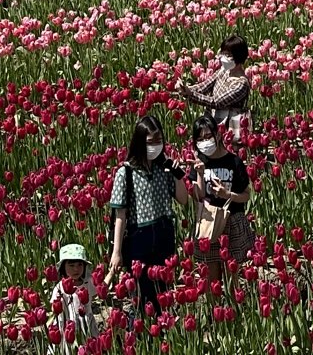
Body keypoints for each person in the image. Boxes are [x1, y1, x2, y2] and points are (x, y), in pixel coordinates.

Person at [106, 116, 187, 313]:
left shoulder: (164, 168)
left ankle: (161, 337)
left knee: (163, 293)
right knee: (142, 296)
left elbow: (183, 199)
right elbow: (120, 216)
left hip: (163, 235)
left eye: (159, 141)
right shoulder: (125, 173)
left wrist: (178, 175)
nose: (155, 146)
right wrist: (117, 253)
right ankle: (142, 336)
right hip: (138, 239)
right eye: (150, 142)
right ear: (139, 142)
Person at [189, 114, 251, 274]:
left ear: (217, 134)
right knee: (211, 277)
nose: (205, 142)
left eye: (208, 136)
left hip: (232, 220)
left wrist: (227, 194)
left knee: (232, 275)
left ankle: (233, 300)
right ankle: (215, 300)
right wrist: (200, 174)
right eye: (200, 139)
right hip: (209, 223)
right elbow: (198, 196)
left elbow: (246, 195)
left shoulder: (234, 162)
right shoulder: (199, 163)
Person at [178, 36, 250, 142]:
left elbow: (217, 102)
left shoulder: (241, 83)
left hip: (229, 126)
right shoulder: (223, 71)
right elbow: (204, 86)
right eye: (223, 53)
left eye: (228, 55)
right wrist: (185, 89)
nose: (223, 58)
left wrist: (191, 95)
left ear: (238, 57)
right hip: (213, 120)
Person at [48, 242, 101, 354]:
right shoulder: (60, 287)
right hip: (68, 326)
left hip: (86, 324)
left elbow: (99, 290)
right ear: (63, 267)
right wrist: (58, 303)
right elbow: (53, 308)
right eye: (71, 266)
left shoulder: (87, 283)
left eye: (79, 265)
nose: (76, 269)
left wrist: (111, 273)